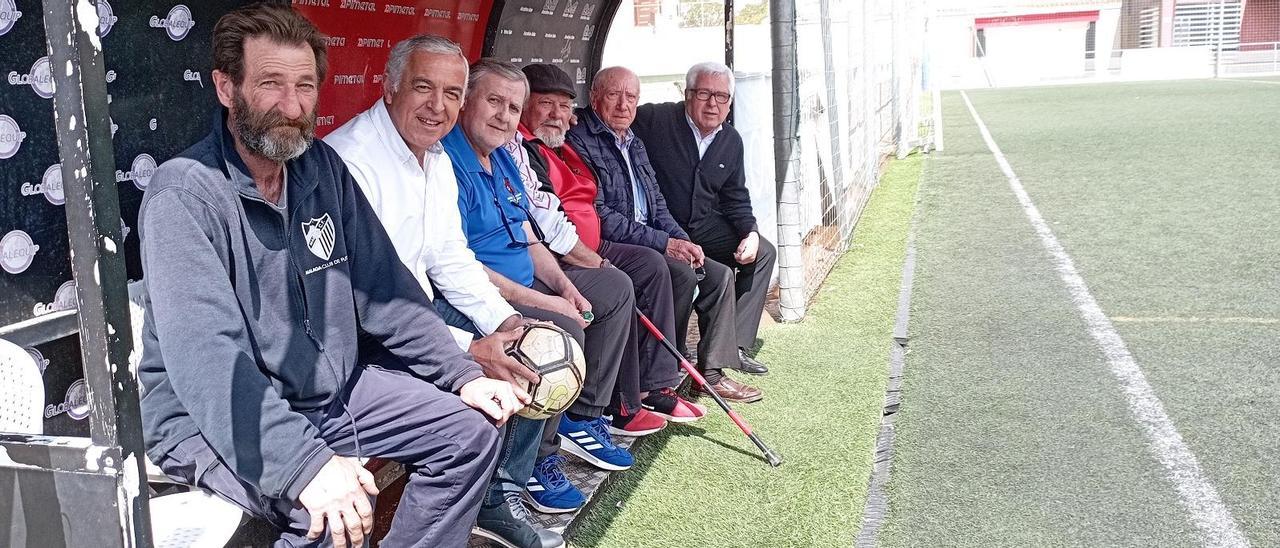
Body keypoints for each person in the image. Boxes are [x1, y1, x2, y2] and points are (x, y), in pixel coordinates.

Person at [137, 5, 523, 548]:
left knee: (470, 433)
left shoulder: (319, 168)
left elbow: (387, 292)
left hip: (325, 391)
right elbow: (209, 359)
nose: (292, 106)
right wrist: (305, 466)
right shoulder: (186, 193)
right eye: (271, 84)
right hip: (213, 419)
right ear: (227, 88)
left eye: (305, 85)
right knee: (334, 518)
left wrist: (462, 374)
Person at [323, 37, 562, 548]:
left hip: (411, 315)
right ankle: (483, 500)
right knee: (487, 388)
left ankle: (496, 496)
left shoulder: (433, 157)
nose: (438, 107)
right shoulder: (352, 160)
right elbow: (368, 301)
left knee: (534, 346)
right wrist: (467, 350)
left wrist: (507, 324)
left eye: (452, 94)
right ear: (389, 89)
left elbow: (449, 255)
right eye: (423, 88)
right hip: (360, 333)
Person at [505, 62, 709, 511]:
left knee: (658, 271)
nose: (557, 114)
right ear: (594, 99)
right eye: (544, 105)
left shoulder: (551, 148)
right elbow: (566, 220)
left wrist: (678, 238)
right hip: (562, 255)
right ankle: (570, 433)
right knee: (626, 279)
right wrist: (597, 260)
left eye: (562, 105)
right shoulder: (533, 146)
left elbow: (649, 201)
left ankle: (642, 393)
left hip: (573, 249)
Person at [442, 58, 640, 511]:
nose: (503, 116)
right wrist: (546, 302)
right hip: (476, 296)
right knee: (559, 331)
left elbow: (529, 236)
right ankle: (526, 469)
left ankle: (581, 416)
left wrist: (564, 287)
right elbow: (460, 265)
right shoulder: (445, 160)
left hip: (522, 282)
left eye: (513, 107)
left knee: (612, 288)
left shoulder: (504, 156)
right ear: (466, 101)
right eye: (493, 101)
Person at [566, 66, 764, 403]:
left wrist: (682, 240)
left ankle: (712, 371)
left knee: (716, 275)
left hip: (665, 229)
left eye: (631, 97)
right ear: (595, 98)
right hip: (621, 241)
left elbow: (658, 204)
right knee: (680, 273)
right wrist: (665, 243)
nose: (623, 105)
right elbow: (600, 214)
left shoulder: (635, 140)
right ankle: (657, 378)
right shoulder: (588, 137)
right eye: (614, 95)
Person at [631, 62, 777, 376]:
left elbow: (736, 198)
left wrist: (750, 232)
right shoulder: (655, 119)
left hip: (703, 226)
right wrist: (578, 116)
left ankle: (732, 346)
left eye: (721, 97)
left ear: (730, 103)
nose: (712, 103)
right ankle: (678, 355)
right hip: (664, 226)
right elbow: (614, 110)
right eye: (704, 94)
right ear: (688, 95)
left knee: (763, 252)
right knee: (708, 273)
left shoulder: (731, 140)